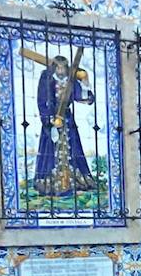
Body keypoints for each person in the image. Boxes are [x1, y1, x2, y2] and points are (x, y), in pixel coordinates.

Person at [34, 55, 96, 195]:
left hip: (67, 119)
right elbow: (41, 101)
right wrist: (50, 120)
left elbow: (83, 97)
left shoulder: (70, 79)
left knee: (72, 150)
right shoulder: (46, 78)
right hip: (51, 118)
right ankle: (51, 183)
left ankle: (71, 182)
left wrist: (85, 82)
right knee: (50, 150)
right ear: (54, 67)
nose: (61, 70)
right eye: (58, 67)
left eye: (63, 67)